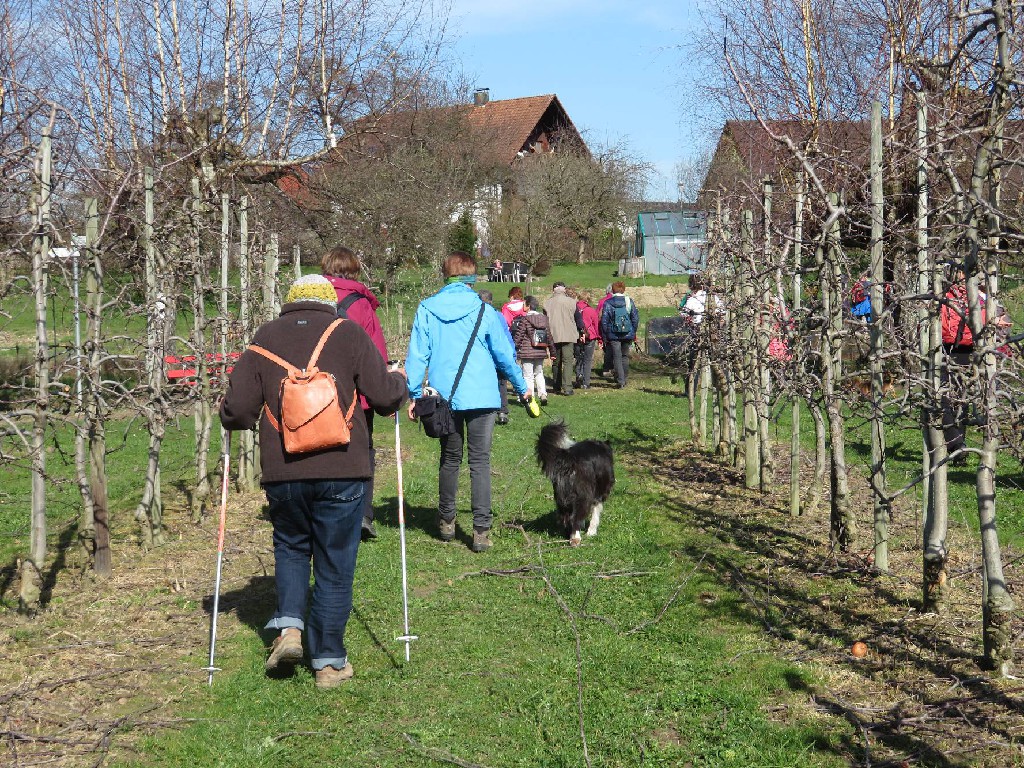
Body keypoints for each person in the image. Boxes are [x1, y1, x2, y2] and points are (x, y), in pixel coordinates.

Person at [219, 274, 408, 688]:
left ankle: (289, 628)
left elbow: (238, 412)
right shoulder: (348, 332)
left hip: (283, 471)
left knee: (290, 547)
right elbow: (384, 396)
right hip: (343, 468)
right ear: (329, 302)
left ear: (290, 302)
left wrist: (228, 407)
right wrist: (399, 379)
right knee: (334, 562)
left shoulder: (264, 338)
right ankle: (328, 663)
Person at [405, 252, 531, 553]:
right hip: (481, 395)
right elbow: (504, 354)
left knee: (449, 459)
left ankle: (447, 521)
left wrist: (413, 394)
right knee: (480, 462)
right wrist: (522, 386)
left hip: (443, 397)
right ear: (472, 277)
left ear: (445, 275)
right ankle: (481, 531)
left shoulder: (426, 308)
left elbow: (417, 356)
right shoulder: (485, 311)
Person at [321, 246, 389, 541]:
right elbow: (376, 352)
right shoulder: (362, 304)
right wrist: (382, 390)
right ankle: (362, 513)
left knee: (322, 449)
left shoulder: (313, 301)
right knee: (363, 450)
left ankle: (328, 509)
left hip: (317, 392)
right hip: (355, 393)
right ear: (354, 270)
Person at [940, 264, 985, 461]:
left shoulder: (975, 298)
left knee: (960, 399)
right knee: (944, 398)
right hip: (945, 351)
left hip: (965, 352)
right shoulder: (944, 297)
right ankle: (955, 443)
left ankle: (959, 445)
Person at [478, 288, 513, 425]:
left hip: (484, 358)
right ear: (491, 301)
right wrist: (512, 353)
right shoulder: (498, 316)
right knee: (501, 384)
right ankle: (502, 412)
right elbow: (506, 335)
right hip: (499, 356)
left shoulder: (475, 315)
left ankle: (485, 413)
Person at [513, 295, 553, 405]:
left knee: (528, 375)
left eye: (524, 304)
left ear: (528, 306)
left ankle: (530, 398)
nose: (523, 306)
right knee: (539, 373)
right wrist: (552, 352)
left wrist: (514, 348)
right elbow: (549, 336)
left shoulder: (525, 319)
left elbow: (519, 336)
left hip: (527, 352)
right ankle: (543, 394)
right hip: (540, 350)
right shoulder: (544, 319)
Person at [600, 281, 640, 388]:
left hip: (613, 334)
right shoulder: (629, 301)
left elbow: (604, 321)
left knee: (616, 357)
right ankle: (625, 378)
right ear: (623, 289)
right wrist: (633, 331)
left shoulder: (608, 303)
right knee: (624, 356)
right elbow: (635, 318)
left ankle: (620, 380)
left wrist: (605, 334)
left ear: (613, 290)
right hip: (627, 333)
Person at [543, 281, 579, 396]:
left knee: (556, 361)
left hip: (553, 335)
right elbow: (578, 318)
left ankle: (556, 386)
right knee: (568, 361)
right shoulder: (572, 302)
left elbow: (544, 320)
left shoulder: (547, 303)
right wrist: (582, 331)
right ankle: (567, 387)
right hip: (569, 334)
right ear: (564, 289)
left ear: (553, 290)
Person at [573, 292, 600, 389]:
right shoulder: (591, 310)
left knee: (578, 358)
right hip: (590, 336)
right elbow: (596, 325)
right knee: (587, 360)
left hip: (576, 336)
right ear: (587, 300)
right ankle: (586, 382)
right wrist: (599, 337)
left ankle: (578, 377)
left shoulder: (573, 309)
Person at [596, 284, 614, 378]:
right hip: (618, 330)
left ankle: (607, 369)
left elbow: (597, 317)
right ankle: (616, 370)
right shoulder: (622, 300)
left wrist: (599, 336)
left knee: (608, 351)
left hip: (604, 330)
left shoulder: (602, 301)